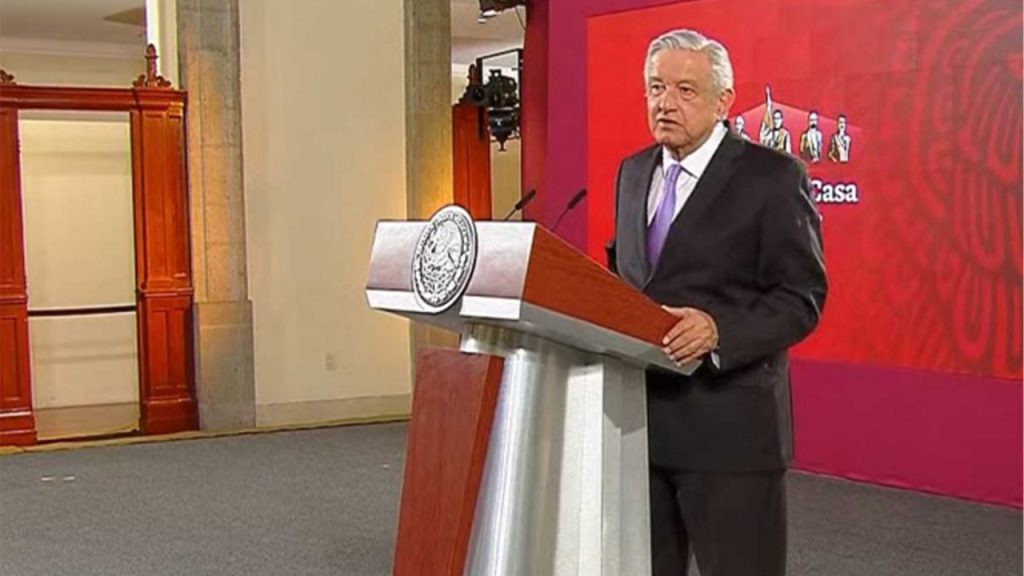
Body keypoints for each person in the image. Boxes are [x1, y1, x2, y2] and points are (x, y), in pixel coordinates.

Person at [607, 29, 827, 576]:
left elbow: (801, 297)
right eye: (655, 87)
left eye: (685, 90)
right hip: (637, 431)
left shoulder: (773, 178)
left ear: (724, 100)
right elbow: (628, 278)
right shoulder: (632, 172)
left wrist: (718, 330)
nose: (665, 102)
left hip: (731, 435)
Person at [759, 86, 792, 153]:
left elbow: (788, 151)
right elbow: (763, 141)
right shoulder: (769, 133)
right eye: (774, 119)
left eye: (778, 119)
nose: (776, 121)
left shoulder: (785, 134)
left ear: (781, 120)